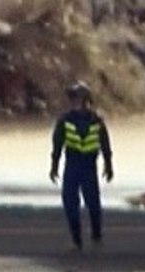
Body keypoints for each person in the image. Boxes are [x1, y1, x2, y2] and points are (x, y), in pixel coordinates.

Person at [49, 81, 113, 251]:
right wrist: (54, 166)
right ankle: (76, 239)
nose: (74, 102)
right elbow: (57, 145)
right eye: (73, 98)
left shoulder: (96, 122)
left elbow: (105, 144)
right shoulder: (65, 121)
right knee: (70, 203)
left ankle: (96, 235)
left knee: (93, 203)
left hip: (89, 166)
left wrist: (108, 165)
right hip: (72, 165)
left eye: (76, 98)